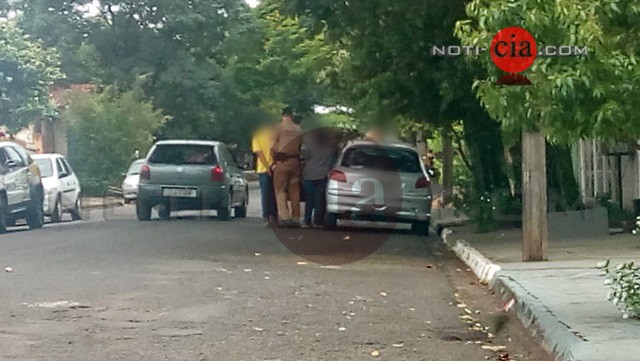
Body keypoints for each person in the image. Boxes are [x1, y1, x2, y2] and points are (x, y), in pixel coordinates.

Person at [270, 106, 303, 228]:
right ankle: (296, 218)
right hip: (295, 163)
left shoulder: (279, 127)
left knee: (281, 190)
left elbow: (272, 147)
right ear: (292, 115)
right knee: (295, 190)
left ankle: (285, 218)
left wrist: (273, 161)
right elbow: (301, 146)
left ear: (282, 115)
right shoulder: (298, 129)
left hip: (282, 162)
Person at [302, 129, 336, 228]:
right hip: (322, 176)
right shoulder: (330, 150)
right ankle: (318, 221)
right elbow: (331, 164)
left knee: (309, 200)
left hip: (309, 175)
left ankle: (307, 221)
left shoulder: (309, 147)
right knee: (319, 200)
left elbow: (305, 159)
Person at [252, 120, 278, 226]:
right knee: (275, 193)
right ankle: (274, 216)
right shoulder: (274, 135)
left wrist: (267, 168)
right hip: (276, 167)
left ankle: (267, 216)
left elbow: (259, 153)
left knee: (265, 194)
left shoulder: (257, 136)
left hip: (263, 169)